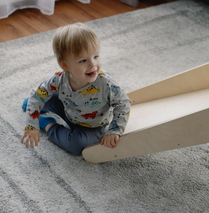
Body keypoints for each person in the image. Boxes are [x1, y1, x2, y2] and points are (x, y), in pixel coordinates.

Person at [21, 22, 131, 155]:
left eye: (96, 56)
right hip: (68, 110)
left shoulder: (106, 84)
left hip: (93, 126)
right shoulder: (58, 78)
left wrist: (114, 130)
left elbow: (123, 103)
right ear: (65, 65)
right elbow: (37, 95)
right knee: (29, 103)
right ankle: (39, 119)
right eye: (83, 61)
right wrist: (31, 126)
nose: (93, 64)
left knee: (77, 145)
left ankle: (48, 124)